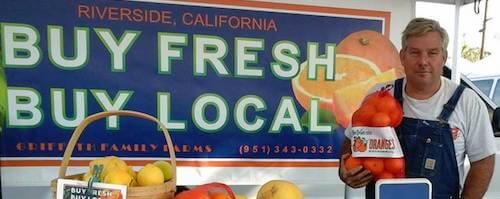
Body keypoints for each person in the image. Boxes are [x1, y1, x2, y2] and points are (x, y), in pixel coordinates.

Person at [339, 18, 496, 199]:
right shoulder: (381, 94)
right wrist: (346, 171)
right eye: (415, 52)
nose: (423, 61)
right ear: (402, 56)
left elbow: (483, 162)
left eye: (432, 53)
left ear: (443, 58)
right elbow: (351, 143)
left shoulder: (467, 101)